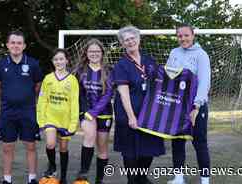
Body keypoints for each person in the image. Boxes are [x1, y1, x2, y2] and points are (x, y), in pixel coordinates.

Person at [113, 25, 165, 184]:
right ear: (122, 44)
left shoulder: (150, 60)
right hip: (128, 113)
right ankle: (132, 180)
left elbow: (159, 84)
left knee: (149, 147)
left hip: (149, 113)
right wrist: (131, 116)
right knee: (130, 150)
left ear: (138, 39)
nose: (130, 42)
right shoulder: (121, 65)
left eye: (132, 38)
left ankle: (141, 177)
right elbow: (123, 92)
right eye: (126, 40)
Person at [0, 30, 43, 184]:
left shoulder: (33, 64)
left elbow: (38, 85)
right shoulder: (0, 64)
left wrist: (24, 97)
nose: (16, 45)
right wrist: (10, 97)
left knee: (31, 146)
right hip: (8, 112)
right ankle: (7, 180)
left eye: (19, 43)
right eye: (13, 42)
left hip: (28, 111)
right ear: (7, 45)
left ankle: (32, 179)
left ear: (24, 45)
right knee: (7, 147)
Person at [166, 24, 211, 184]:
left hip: (196, 107)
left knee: (199, 143)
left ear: (193, 35)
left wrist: (196, 107)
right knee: (177, 142)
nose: (183, 38)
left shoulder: (201, 55)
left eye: (186, 35)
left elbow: (204, 82)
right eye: (179, 36)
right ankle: (178, 178)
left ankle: (205, 181)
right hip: (177, 106)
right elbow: (169, 78)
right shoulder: (174, 53)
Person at [73, 38, 113, 184]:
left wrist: (94, 112)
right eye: (91, 51)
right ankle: (83, 174)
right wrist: (85, 112)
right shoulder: (80, 71)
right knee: (89, 136)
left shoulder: (109, 71)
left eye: (97, 51)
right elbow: (79, 95)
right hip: (86, 112)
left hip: (104, 113)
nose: (94, 53)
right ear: (86, 53)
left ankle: (99, 179)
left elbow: (108, 95)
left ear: (102, 53)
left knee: (102, 147)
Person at [36, 48, 79, 184]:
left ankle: (64, 176)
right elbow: (42, 100)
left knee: (63, 148)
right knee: (50, 143)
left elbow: (74, 102)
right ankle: (53, 165)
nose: (59, 61)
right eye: (56, 59)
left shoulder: (72, 80)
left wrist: (73, 123)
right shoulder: (48, 78)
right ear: (52, 61)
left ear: (66, 60)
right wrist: (41, 119)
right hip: (50, 118)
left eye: (61, 59)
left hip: (65, 120)